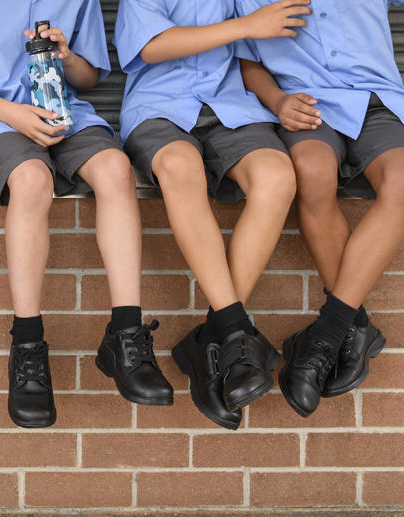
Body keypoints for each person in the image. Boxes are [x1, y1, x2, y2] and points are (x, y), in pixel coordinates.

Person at [0, 0, 174, 429]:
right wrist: (15, 115)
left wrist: (67, 56)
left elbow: (88, 77)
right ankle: (27, 345)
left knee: (116, 169)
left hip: (65, 115)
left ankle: (126, 334)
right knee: (31, 181)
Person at [236, 0, 404, 417]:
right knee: (312, 171)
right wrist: (277, 101)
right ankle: (352, 327)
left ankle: (327, 336)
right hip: (305, 106)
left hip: (377, 101)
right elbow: (243, 58)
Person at [115, 0, 310, 429]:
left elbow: (250, 55)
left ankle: (214, 338)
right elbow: (152, 46)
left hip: (231, 107)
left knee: (278, 177)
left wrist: (277, 100)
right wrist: (246, 25)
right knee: (181, 169)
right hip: (160, 108)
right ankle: (235, 333)